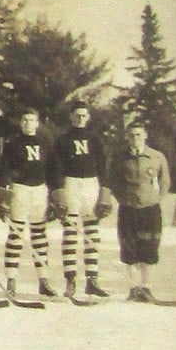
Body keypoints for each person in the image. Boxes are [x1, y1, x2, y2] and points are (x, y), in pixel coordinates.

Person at [51, 103, 111, 298]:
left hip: (91, 184)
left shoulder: (95, 139)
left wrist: (105, 194)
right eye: (77, 115)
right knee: (71, 232)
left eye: (84, 115)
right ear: (71, 117)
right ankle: (70, 279)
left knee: (92, 232)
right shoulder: (63, 140)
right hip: (71, 184)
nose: (80, 119)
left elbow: (103, 166)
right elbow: (56, 168)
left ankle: (92, 279)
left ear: (88, 117)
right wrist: (58, 194)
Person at [0, 108, 58, 297]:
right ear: (20, 122)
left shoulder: (45, 144)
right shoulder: (12, 144)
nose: (27, 123)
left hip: (39, 190)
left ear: (37, 123)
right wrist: (4, 199)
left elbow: (53, 171)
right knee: (15, 235)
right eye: (24, 119)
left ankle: (43, 280)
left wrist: (56, 198)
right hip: (20, 190)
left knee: (39, 236)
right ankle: (11, 280)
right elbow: (4, 172)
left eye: (31, 120)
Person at [109, 121, 172, 302]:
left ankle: (146, 287)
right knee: (129, 248)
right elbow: (114, 181)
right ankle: (133, 288)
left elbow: (165, 182)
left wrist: (156, 199)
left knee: (150, 247)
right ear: (126, 137)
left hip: (150, 209)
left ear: (145, 135)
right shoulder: (120, 158)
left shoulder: (156, 156)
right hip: (128, 209)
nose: (135, 138)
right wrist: (124, 199)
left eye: (138, 134)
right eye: (131, 135)